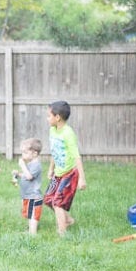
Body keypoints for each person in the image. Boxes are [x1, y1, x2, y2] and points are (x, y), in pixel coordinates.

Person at [43, 100, 86, 236]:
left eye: (49, 116)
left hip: (70, 173)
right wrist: (51, 168)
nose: (47, 118)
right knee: (48, 199)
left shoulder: (68, 133)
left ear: (57, 117)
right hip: (58, 173)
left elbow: (76, 157)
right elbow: (54, 151)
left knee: (57, 203)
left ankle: (62, 233)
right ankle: (68, 220)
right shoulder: (52, 130)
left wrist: (82, 179)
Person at [12, 138, 43, 235]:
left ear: (34, 154)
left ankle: (32, 233)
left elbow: (29, 177)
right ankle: (30, 230)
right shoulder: (30, 164)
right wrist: (18, 174)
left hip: (33, 196)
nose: (22, 155)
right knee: (30, 214)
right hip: (27, 195)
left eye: (25, 152)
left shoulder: (36, 165)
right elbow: (27, 175)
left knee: (33, 215)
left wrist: (22, 165)